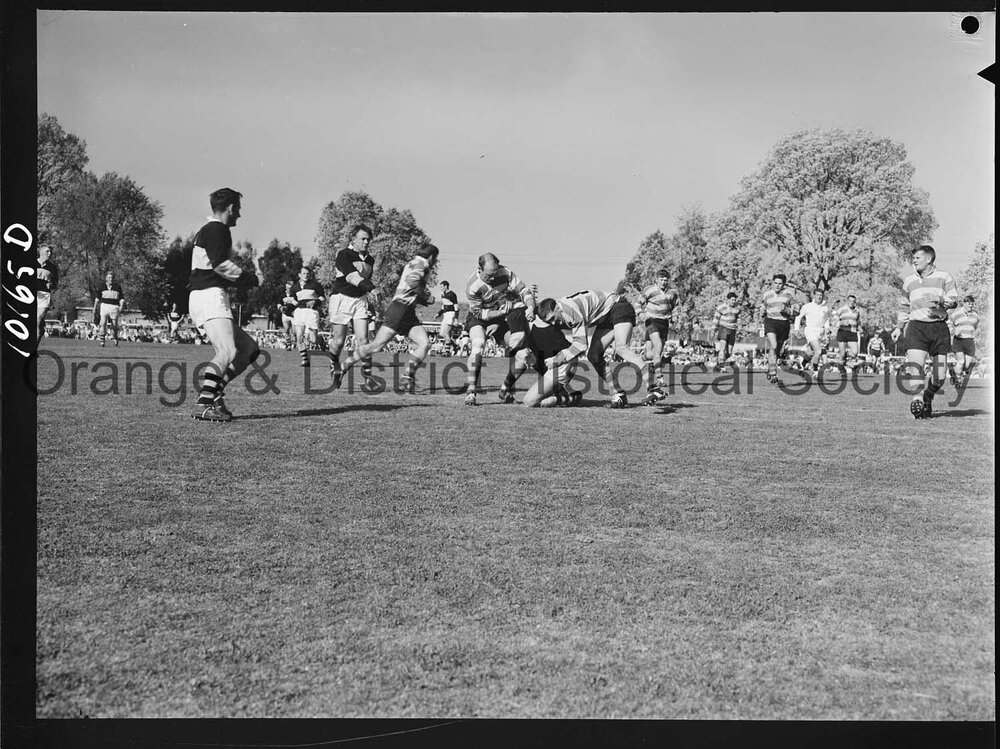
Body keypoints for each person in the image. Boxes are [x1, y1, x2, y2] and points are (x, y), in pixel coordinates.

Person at [188, 187, 260, 422]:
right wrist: (250, 279)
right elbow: (220, 265)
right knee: (227, 351)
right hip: (209, 296)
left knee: (249, 350)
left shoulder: (209, 230)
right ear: (230, 208)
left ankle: (214, 393)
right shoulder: (217, 229)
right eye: (237, 209)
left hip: (206, 295)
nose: (238, 214)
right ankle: (204, 403)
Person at [336, 243, 440, 393]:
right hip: (399, 309)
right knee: (377, 345)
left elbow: (409, 283)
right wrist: (427, 297)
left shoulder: (413, 262)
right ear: (431, 256)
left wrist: (420, 297)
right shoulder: (421, 264)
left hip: (407, 310)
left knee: (424, 343)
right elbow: (413, 281)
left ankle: (407, 377)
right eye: (435, 257)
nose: (436, 261)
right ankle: (343, 366)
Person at [536, 287, 655, 408]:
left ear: (557, 307)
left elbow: (581, 345)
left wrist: (557, 360)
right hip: (606, 316)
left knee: (621, 348)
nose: (553, 323)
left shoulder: (570, 312)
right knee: (593, 355)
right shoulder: (561, 313)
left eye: (552, 319)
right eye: (548, 322)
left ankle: (653, 387)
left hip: (619, 306)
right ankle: (618, 395)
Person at [890, 245, 959, 419]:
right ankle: (917, 399)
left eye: (917, 258)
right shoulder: (909, 281)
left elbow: (954, 301)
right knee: (915, 367)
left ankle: (928, 396)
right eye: (913, 258)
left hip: (939, 328)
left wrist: (941, 300)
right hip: (916, 328)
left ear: (928, 259)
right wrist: (898, 327)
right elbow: (904, 306)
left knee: (939, 376)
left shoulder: (944, 277)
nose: (914, 261)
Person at [462, 254, 536, 406]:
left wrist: (530, 306)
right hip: (480, 318)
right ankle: (471, 391)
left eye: (495, 273)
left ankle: (505, 390)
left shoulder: (506, 273)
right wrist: (500, 313)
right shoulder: (473, 285)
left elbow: (524, 291)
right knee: (479, 344)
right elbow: (479, 313)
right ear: (479, 269)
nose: (493, 278)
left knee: (523, 356)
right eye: (489, 275)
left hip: (500, 319)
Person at [327, 224, 378, 387]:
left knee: (364, 339)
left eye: (368, 239)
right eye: (362, 239)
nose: (366, 242)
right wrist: (371, 287)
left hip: (360, 300)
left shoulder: (370, 259)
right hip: (342, 298)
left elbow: (366, 279)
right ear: (353, 240)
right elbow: (351, 277)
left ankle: (368, 377)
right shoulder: (344, 255)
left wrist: (369, 294)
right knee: (339, 341)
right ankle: (334, 362)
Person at [635, 268, 680, 396]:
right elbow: (637, 303)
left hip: (664, 323)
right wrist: (641, 314)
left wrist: (675, 316)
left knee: (651, 354)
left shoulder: (672, 293)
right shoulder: (650, 290)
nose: (664, 282)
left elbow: (675, 306)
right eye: (661, 280)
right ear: (656, 280)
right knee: (659, 347)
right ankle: (660, 379)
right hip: (651, 321)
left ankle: (640, 359)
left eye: (666, 280)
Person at [521, 318, 583, 408]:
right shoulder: (532, 322)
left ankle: (571, 398)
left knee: (529, 401)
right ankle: (563, 394)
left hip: (562, 362)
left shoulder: (544, 318)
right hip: (552, 363)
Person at [758, 273, 797, 384]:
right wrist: (761, 313)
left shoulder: (788, 295)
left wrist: (788, 311)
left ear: (784, 284)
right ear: (772, 283)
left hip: (784, 323)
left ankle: (770, 368)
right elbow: (762, 308)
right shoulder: (767, 294)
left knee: (777, 350)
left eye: (780, 284)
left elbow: (797, 310)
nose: (777, 285)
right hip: (770, 322)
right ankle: (774, 374)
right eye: (775, 283)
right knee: (773, 345)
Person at [292, 266, 326, 367]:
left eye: (307, 273)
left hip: (311, 312)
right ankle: (305, 359)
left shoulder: (315, 285)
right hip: (299, 312)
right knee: (299, 336)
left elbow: (323, 298)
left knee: (313, 339)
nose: (306, 275)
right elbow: (294, 301)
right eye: (303, 273)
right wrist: (289, 303)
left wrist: (315, 301)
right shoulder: (295, 287)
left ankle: (320, 340)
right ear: (299, 275)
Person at [792, 288, 831, 372]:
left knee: (810, 352)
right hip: (810, 330)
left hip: (820, 332)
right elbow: (798, 317)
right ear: (814, 295)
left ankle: (802, 363)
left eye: (821, 295)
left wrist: (827, 328)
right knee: (818, 351)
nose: (819, 297)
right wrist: (796, 329)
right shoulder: (807, 306)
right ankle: (816, 371)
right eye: (817, 295)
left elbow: (826, 319)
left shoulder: (825, 308)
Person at [948, 295, 979, 387]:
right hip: (959, 340)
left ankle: (954, 373)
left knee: (967, 365)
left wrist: (975, 333)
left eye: (972, 305)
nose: (971, 307)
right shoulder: (956, 314)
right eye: (969, 305)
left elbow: (976, 327)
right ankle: (958, 381)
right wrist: (954, 331)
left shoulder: (975, 316)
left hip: (969, 341)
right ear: (964, 304)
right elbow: (949, 323)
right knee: (961, 361)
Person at [93, 270, 125, 347]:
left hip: (114, 307)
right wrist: (94, 307)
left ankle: (115, 338)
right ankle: (102, 340)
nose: (111, 279)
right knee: (103, 323)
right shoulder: (102, 287)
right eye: (109, 277)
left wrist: (121, 306)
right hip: (104, 306)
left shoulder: (117, 287)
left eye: (112, 277)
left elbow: (121, 298)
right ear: (106, 278)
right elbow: (97, 298)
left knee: (114, 325)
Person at [710, 292, 741, 371]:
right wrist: (713, 330)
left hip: (732, 330)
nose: (733, 302)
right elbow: (716, 319)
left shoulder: (737, 309)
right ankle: (721, 366)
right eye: (732, 300)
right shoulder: (721, 308)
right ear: (728, 300)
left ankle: (718, 364)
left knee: (729, 352)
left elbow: (738, 318)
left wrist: (739, 326)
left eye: (734, 300)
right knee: (723, 347)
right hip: (723, 328)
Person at [36, 244, 59, 343]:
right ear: (41, 252)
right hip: (31, 295)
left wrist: (52, 285)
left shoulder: (52, 268)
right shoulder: (31, 263)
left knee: (38, 318)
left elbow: (55, 283)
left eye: (50, 252)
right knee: (38, 324)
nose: (50, 254)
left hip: (44, 295)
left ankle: (33, 350)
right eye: (47, 251)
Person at [833, 294, 863, 370]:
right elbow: (833, 320)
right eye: (850, 301)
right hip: (842, 332)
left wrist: (860, 328)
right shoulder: (841, 309)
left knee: (855, 353)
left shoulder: (857, 311)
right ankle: (841, 370)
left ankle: (844, 354)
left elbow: (858, 322)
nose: (851, 303)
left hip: (852, 333)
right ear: (847, 301)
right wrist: (841, 323)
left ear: (855, 302)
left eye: (853, 301)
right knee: (842, 354)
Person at [435, 280, 460, 352]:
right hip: (445, 314)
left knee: (447, 333)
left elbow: (456, 306)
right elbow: (443, 306)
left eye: (442, 287)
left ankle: (447, 351)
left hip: (451, 314)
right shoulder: (443, 294)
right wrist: (438, 314)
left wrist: (456, 318)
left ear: (446, 286)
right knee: (442, 333)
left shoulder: (452, 294)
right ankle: (455, 346)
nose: (441, 288)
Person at [278, 281, 297, 349]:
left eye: (290, 288)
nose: (289, 289)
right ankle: (288, 344)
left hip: (293, 314)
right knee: (286, 329)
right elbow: (279, 303)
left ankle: (294, 343)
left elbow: (298, 304)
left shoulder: (295, 295)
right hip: (285, 315)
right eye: (288, 288)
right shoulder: (282, 295)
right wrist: (281, 308)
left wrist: (292, 301)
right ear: (286, 287)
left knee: (294, 331)